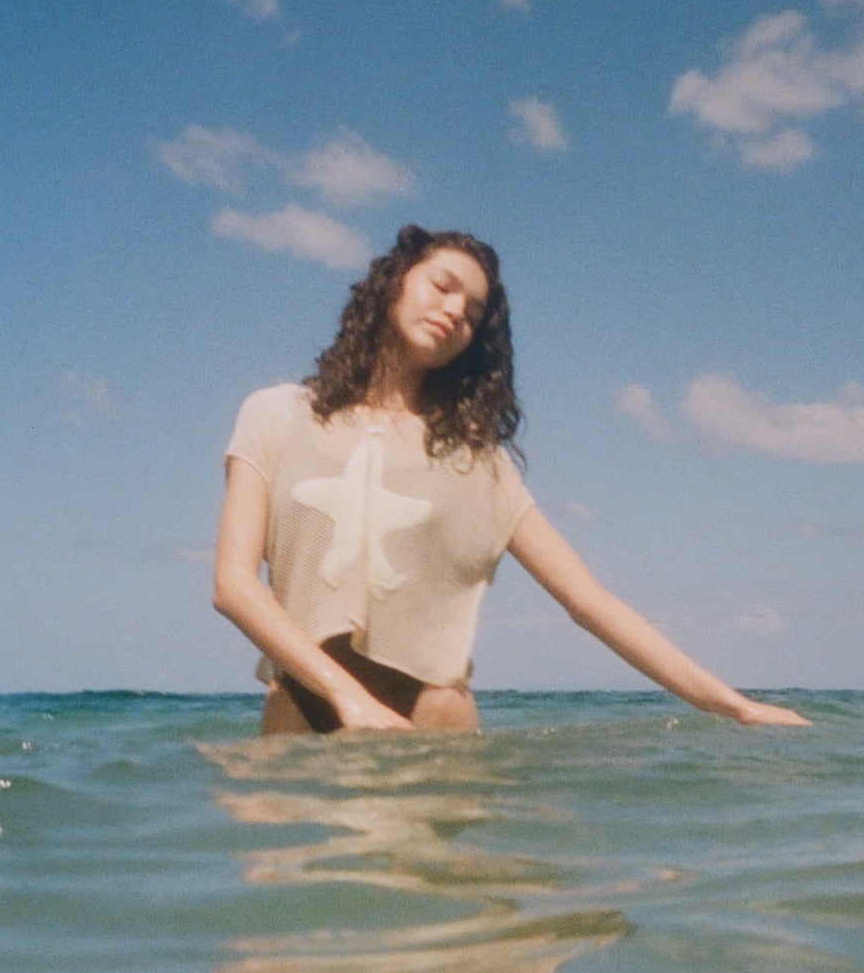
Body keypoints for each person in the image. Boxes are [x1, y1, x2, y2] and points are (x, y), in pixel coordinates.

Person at [213, 225, 809, 734]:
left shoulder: (476, 461)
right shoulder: (275, 415)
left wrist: (733, 706)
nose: (454, 312)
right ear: (393, 283)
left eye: (473, 313)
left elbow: (587, 600)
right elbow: (234, 586)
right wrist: (346, 696)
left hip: (431, 732)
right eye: (442, 286)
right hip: (300, 717)